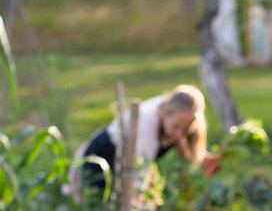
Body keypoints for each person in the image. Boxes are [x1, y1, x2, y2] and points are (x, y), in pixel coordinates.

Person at [68, 84, 219, 201]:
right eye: (176, 127)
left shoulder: (175, 114)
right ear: (165, 113)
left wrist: (204, 159)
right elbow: (137, 180)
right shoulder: (145, 126)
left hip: (125, 164)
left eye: (186, 129)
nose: (180, 134)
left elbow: (190, 152)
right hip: (102, 160)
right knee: (97, 206)